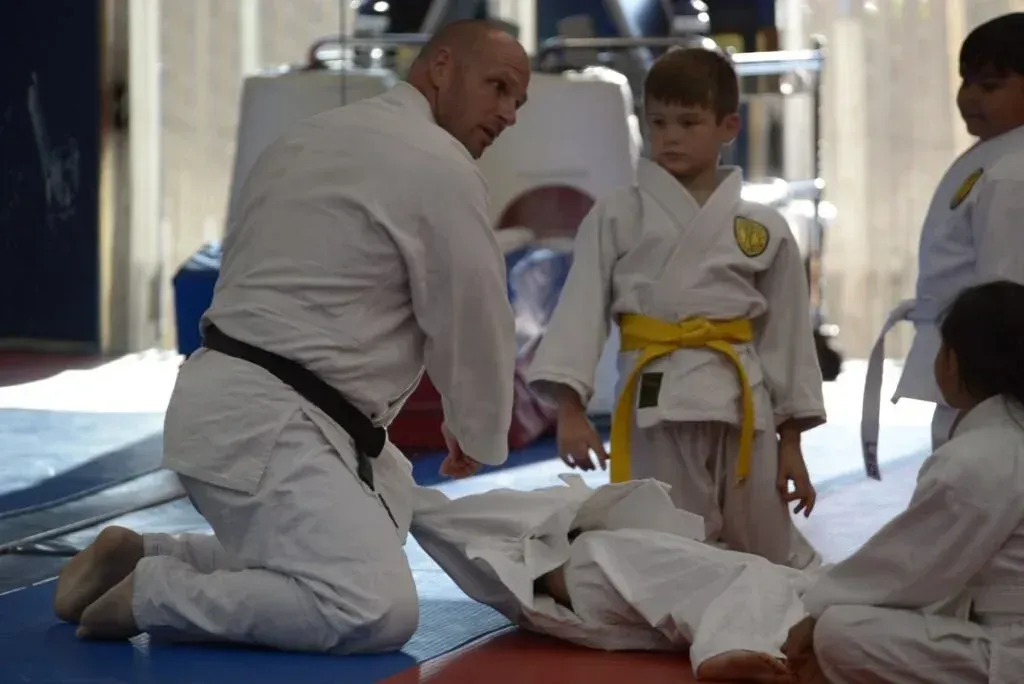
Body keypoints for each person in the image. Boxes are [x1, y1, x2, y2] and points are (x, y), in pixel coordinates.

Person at [50, 20, 530, 653]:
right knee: (373, 607)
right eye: (498, 87)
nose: (507, 113)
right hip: (273, 426)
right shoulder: (438, 163)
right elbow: (473, 311)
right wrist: (477, 429)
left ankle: (152, 552)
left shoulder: (308, 137)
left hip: (227, 405)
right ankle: (156, 593)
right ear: (440, 67)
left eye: (518, 103)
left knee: (370, 538)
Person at [526, 47, 826, 569]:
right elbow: (580, 309)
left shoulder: (764, 228)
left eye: (689, 122)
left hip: (743, 403)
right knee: (665, 549)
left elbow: (788, 337)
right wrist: (570, 412)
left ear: (728, 125)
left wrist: (792, 440)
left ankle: (775, 630)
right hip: (655, 398)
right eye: (658, 121)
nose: (670, 135)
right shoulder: (618, 214)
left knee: (768, 548)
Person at [785, 280, 1024, 683]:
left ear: (954, 361)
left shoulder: (979, 458)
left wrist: (812, 610)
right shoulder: (1004, 439)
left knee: (839, 632)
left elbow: (904, 569)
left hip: (1010, 654)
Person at [411, 474, 810, 683]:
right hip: (593, 569)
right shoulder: (597, 544)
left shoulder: (602, 547)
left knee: (747, 576)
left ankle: (731, 642)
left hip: (601, 585)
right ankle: (729, 642)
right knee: (750, 574)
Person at [862, 12, 1024, 475]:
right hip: (972, 362)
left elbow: (1007, 294)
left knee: (975, 486)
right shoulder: (997, 156)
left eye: (990, 85)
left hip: (993, 374)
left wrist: (992, 382)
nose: (969, 96)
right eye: (966, 81)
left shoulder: (1014, 173)